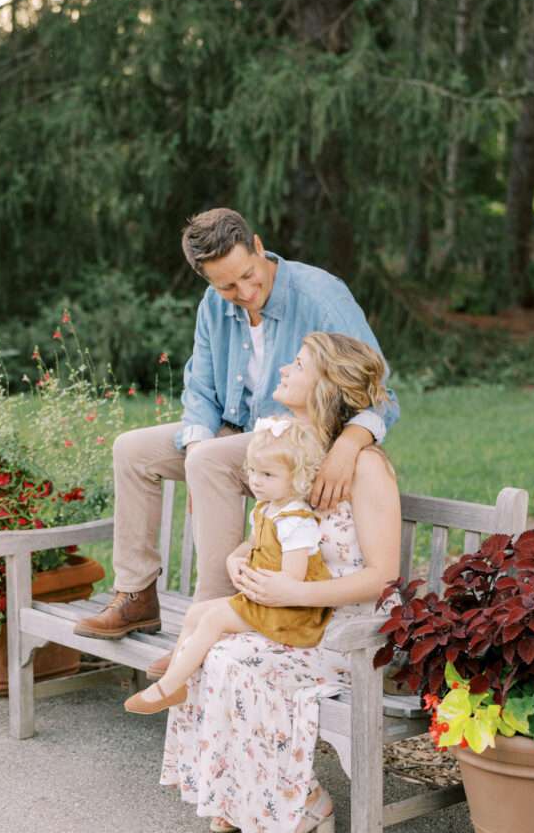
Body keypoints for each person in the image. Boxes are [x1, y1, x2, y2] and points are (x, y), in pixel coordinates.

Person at [74, 208, 399, 640]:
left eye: (249, 274)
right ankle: (136, 596)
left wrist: (347, 445)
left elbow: (380, 392)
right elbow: (200, 391)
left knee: (209, 460)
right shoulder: (213, 306)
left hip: (302, 442)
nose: (245, 291)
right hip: (242, 438)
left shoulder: (321, 296)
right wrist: (193, 450)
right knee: (133, 450)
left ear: (259, 247)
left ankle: (209, 621)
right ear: (207, 280)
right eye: (227, 285)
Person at [160, 331, 401, 833]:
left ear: (328, 385)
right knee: (213, 650)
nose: (285, 368)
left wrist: (294, 590)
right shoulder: (292, 448)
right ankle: (241, 795)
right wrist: (241, 554)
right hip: (295, 615)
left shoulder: (366, 467)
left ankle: (303, 802)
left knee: (240, 662)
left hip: (349, 630)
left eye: (299, 363)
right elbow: (277, 526)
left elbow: (383, 577)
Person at [123, 416, 333, 715]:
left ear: (297, 477)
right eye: (253, 471)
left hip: (290, 613)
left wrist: (253, 583)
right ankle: (177, 677)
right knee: (196, 612)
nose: (256, 481)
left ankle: (165, 688)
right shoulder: (266, 508)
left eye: (268, 474)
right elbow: (253, 544)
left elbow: (293, 579)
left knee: (213, 620)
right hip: (264, 600)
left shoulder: (296, 521)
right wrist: (236, 558)